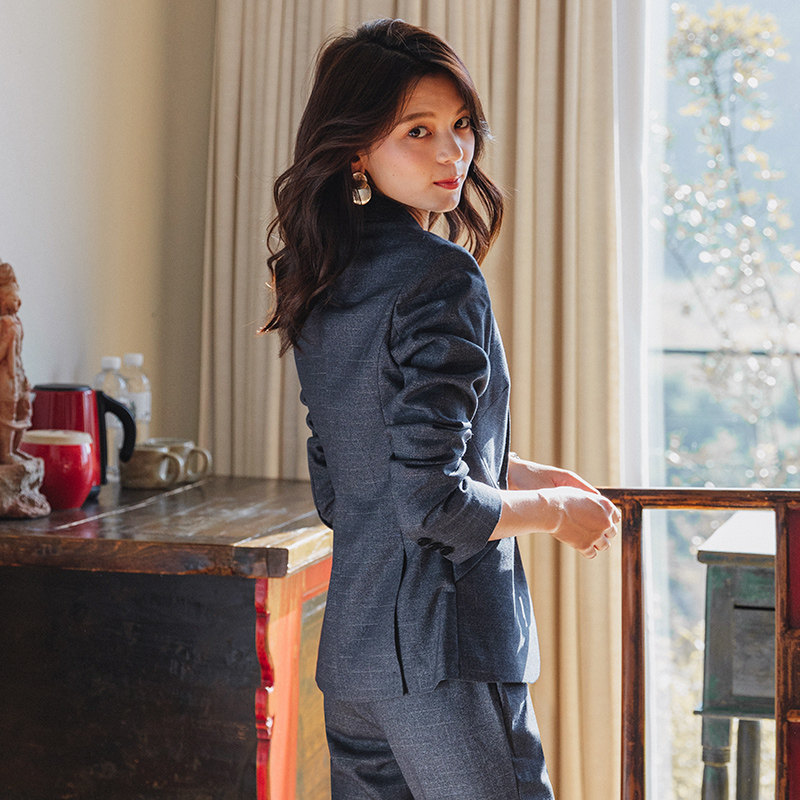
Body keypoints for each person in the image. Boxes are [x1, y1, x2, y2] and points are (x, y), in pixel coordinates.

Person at [263, 19, 620, 799]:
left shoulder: (320, 275)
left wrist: (517, 469)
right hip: (445, 660)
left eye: (460, 125)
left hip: (356, 662)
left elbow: (354, 478)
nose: (452, 152)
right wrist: (556, 512)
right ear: (357, 151)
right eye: (417, 131)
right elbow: (432, 505)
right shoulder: (441, 276)